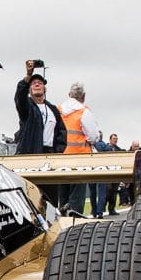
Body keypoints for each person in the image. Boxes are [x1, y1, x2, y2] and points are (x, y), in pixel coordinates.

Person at [58, 82, 100, 215]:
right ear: (83, 96)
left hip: (60, 159)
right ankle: (75, 226)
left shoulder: (58, 109)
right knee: (77, 200)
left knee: (62, 197)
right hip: (80, 160)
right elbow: (93, 137)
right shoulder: (84, 111)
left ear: (69, 95)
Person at [13, 60, 65, 155]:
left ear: (45, 89)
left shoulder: (53, 110)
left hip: (50, 154)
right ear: (29, 89)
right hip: (30, 153)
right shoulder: (27, 107)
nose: (37, 84)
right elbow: (20, 97)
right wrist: (28, 75)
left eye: (40, 83)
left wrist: (58, 152)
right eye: (33, 83)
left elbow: (61, 133)